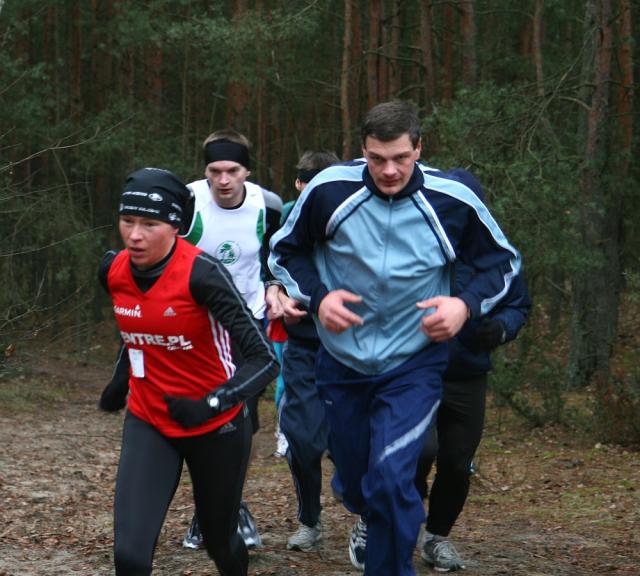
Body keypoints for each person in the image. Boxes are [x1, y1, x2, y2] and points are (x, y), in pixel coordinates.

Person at [268, 100, 522, 575]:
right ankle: (366, 509)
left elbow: (503, 263)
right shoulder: (329, 190)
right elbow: (285, 252)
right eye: (377, 158)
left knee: (390, 480)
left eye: (401, 158)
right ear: (362, 150)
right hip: (342, 361)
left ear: (419, 148)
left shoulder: (452, 201)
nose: (389, 171)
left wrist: (464, 305)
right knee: (358, 485)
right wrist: (319, 298)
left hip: (413, 363)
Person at [99, 129, 283, 551]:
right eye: (214, 170)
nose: (223, 179)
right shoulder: (188, 200)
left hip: (245, 316)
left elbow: (275, 253)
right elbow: (141, 297)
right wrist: (123, 374)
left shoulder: (268, 204)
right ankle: (211, 511)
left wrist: (276, 287)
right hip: (190, 314)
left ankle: (226, 507)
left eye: (232, 170)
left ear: (247, 170)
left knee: (243, 415)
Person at [272, 151, 340, 551]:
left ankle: (368, 516)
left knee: (355, 440)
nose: (314, 189)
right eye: (307, 181)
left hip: (351, 346)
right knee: (300, 439)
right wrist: (277, 292)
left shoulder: (356, 217)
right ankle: (309, 520)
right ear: (298, 184)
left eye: (324, 182)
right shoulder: (286, 217)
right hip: (303, 344)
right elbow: (270, 264)